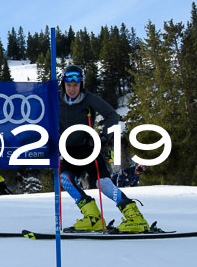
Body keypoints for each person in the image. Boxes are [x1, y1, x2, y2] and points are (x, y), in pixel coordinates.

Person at [58, 65, 149, 233]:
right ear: (63, 84)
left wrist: (103, 137)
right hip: (67, 151)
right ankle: (93, 218)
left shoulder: (88, 98)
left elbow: (112, 115)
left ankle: (134, 217)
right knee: (65, 181)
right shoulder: (55, 99)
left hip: (88, 149)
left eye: (76, 85)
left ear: (81, 84)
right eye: (68, 85)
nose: (72, 89)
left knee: (104, 185)